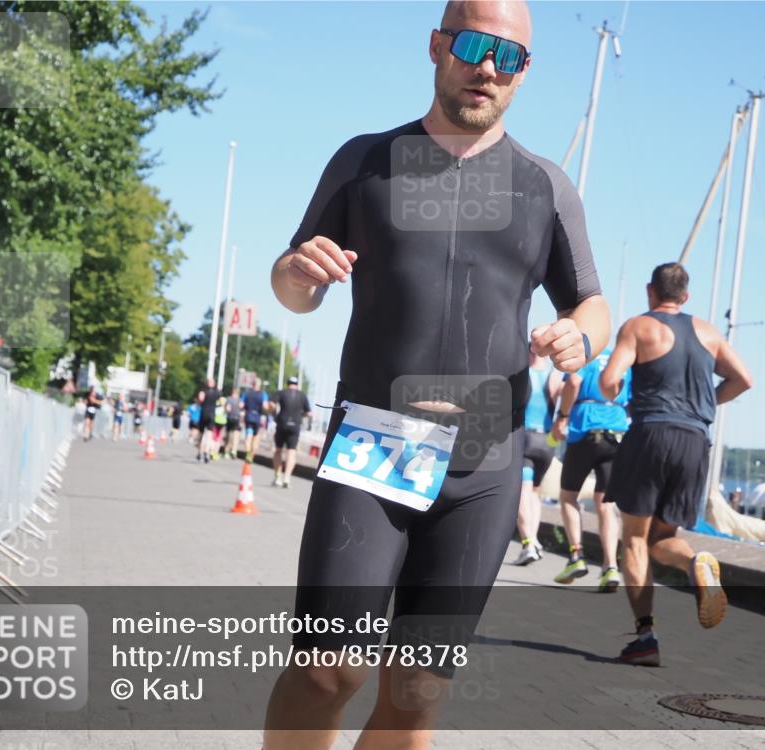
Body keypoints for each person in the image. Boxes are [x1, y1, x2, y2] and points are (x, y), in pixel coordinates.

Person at [263, 2, 610, 747]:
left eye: (509, 56)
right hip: (379, 440)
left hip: (485, 461)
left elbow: (591, 302)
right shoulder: (367, 160)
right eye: (474, 46)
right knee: (329, 670)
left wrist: (580, 335)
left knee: (417, 692)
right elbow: (296, 285)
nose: (488, 66)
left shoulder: (544, 185)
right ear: (437, 46)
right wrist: (294, 272)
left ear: (523, 73)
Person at [599, 262, 753, 666]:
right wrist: (704, 405)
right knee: (662, 538)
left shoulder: (638, 327)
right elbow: (744, 379)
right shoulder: (707, 332)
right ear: (685, 296)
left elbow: (608, 380)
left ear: (651, 291)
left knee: (634, 538)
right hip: (694, 439)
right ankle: (694, 562)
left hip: (650, 432)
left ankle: (645, 637)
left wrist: (618, 396)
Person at [549, 347, 630, 591]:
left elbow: (573, 382)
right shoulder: (622, 360)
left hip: (585, 430)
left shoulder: (588, 358)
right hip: (616, 432)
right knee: (606, 504)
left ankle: (576, 556)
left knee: (568, 495)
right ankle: (610, 567)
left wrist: (562, 416)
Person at [511, 349, 561, 565]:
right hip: (548, 440)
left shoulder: (524, 375)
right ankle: (535, 539)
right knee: (535, 492)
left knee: (523, 489)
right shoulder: (555, 375)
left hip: (526, 437)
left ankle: (528, 542)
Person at [269, 376, 312, 487]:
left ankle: (277, 477)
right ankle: (287, 478)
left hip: (282, 423)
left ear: (287, 383)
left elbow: (272, 405)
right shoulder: (302, 395)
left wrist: (273, 414)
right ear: (297, 384)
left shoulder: (281, 392)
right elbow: (309, 413)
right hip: (295, 426)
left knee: (278, 450)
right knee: (291, 452)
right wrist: (300, 416)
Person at [242, 375, 269, 461]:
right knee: (256, 437)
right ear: (260, 385)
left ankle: (247, 452)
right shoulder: (263, 394)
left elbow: (241, 405)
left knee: (248, 436)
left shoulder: (246, 393)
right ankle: (251, 455)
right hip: (257, 417)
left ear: (252, 384)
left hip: (248, 416)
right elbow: (265, 406)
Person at [196, 377, 221, 463]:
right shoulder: (217, 392)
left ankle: (201, 452)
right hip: (211, 414)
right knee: (208, 435)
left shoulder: (203, 391)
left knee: (202, 435)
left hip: (204, 414)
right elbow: (220, 402)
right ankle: (206, 452)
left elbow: (200, 400)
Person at [224, 388, 243, 459]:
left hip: (230, 418)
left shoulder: (229, 399)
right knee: (236, 435)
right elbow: (242, 409)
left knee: (228, 435)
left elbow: (228, 409)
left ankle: (226, 452)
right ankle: (234, 450)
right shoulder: (240, 400)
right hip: (237, 418)